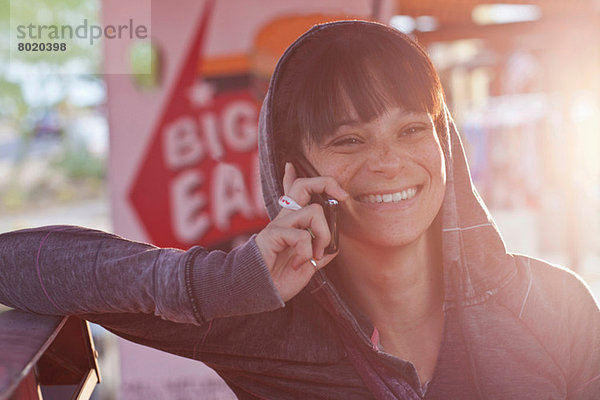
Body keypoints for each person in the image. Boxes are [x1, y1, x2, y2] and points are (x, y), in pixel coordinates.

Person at [1, 20, 599, 399]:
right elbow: (20, 264)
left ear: (444, 144)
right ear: (294, 169)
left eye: (412, 130)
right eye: (348, 139)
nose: (389, 163)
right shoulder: (258, 320)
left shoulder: (552, 307)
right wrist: (226, 281)